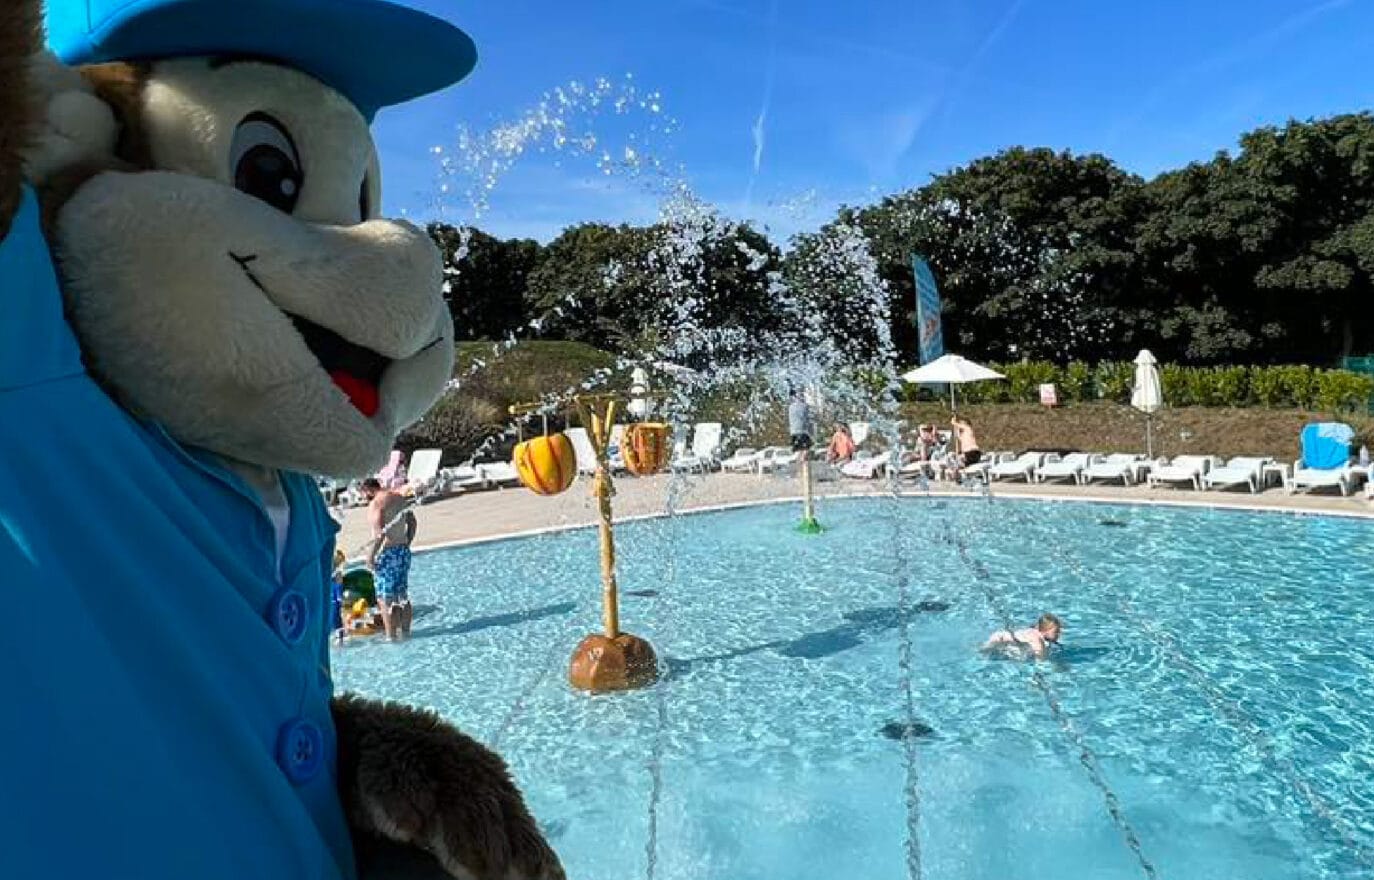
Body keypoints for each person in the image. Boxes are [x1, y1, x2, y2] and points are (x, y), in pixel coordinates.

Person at [362, 477, 418, 640]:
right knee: (402, 594)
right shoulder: (399, 498)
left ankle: (391, 637)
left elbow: (380, 534)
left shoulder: (376, 504)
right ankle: (406, 633)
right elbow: (412, 522)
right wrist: (407, 541)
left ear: (368, 490)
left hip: (387, 554)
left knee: (385, 599)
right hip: (402, 551)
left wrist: (370, 557)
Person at [982, 613, 1063, 659]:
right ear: (1045, 631)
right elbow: (1040, 663)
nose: (1059, 634)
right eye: (1056, 632)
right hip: (999, 640)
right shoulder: (1037, 641)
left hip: (999, 636)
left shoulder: (1034, 631)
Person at [948, 415, 982, 480]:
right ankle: (959, 476)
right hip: (967, 453)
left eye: (962, 423)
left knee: (959, 462)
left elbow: (964, 426)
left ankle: (957, 475)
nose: (960, 424)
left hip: (972, 452)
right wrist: (956, 428)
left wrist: (954, 422)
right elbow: (958, 436)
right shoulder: (963, 434)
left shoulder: (968, 429)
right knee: (957, 462)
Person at [788, 389, 814, 458]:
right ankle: (802, 460)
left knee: (798, 450)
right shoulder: (805, 406)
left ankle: (798, 460)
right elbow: (809, 420)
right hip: (803, 432)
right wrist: (812, 433)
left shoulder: (790, 407)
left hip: (793, 433)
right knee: (806, 450)